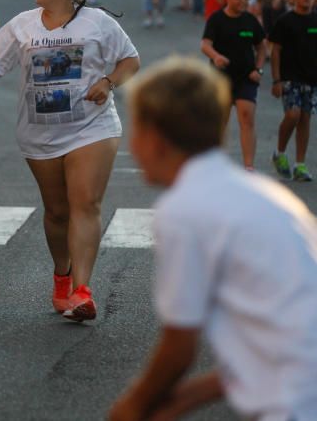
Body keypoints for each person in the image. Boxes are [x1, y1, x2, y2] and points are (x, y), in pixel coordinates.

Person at [109, 57, 317, 421]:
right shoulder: (261, 192)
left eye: (135, 130)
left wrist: (133, 405)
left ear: (156, 138)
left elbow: (179, 347)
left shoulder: (184, 209)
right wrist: (180, 402)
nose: (132, 144)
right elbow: (280, 345)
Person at [0, 0, 140, 322]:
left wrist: (108, 82)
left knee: (85, 204)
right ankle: (62, 276)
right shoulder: (22, 25)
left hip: (92, 128)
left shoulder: (97, 22)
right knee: (57, 211)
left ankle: (82, 291)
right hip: (40, 134)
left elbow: (130, 60)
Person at [201, 0, 267, 170]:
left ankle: (248, 166)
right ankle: (217, 164)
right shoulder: (217, 19)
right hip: (221, 79)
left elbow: (262, 47)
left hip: (246, 78)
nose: (243, 2)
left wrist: (258, 69)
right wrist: (216, 57)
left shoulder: (250, 21)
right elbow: (205, 45)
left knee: (247, 117)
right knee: (220, 122)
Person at [269, 0, 316, 181]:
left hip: (312, 78)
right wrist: (276, 80)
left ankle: (300, 164)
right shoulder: (285, 21)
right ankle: (279, 154)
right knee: (293, 115)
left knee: (305, 118)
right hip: (289, 78)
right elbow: (276, 51)